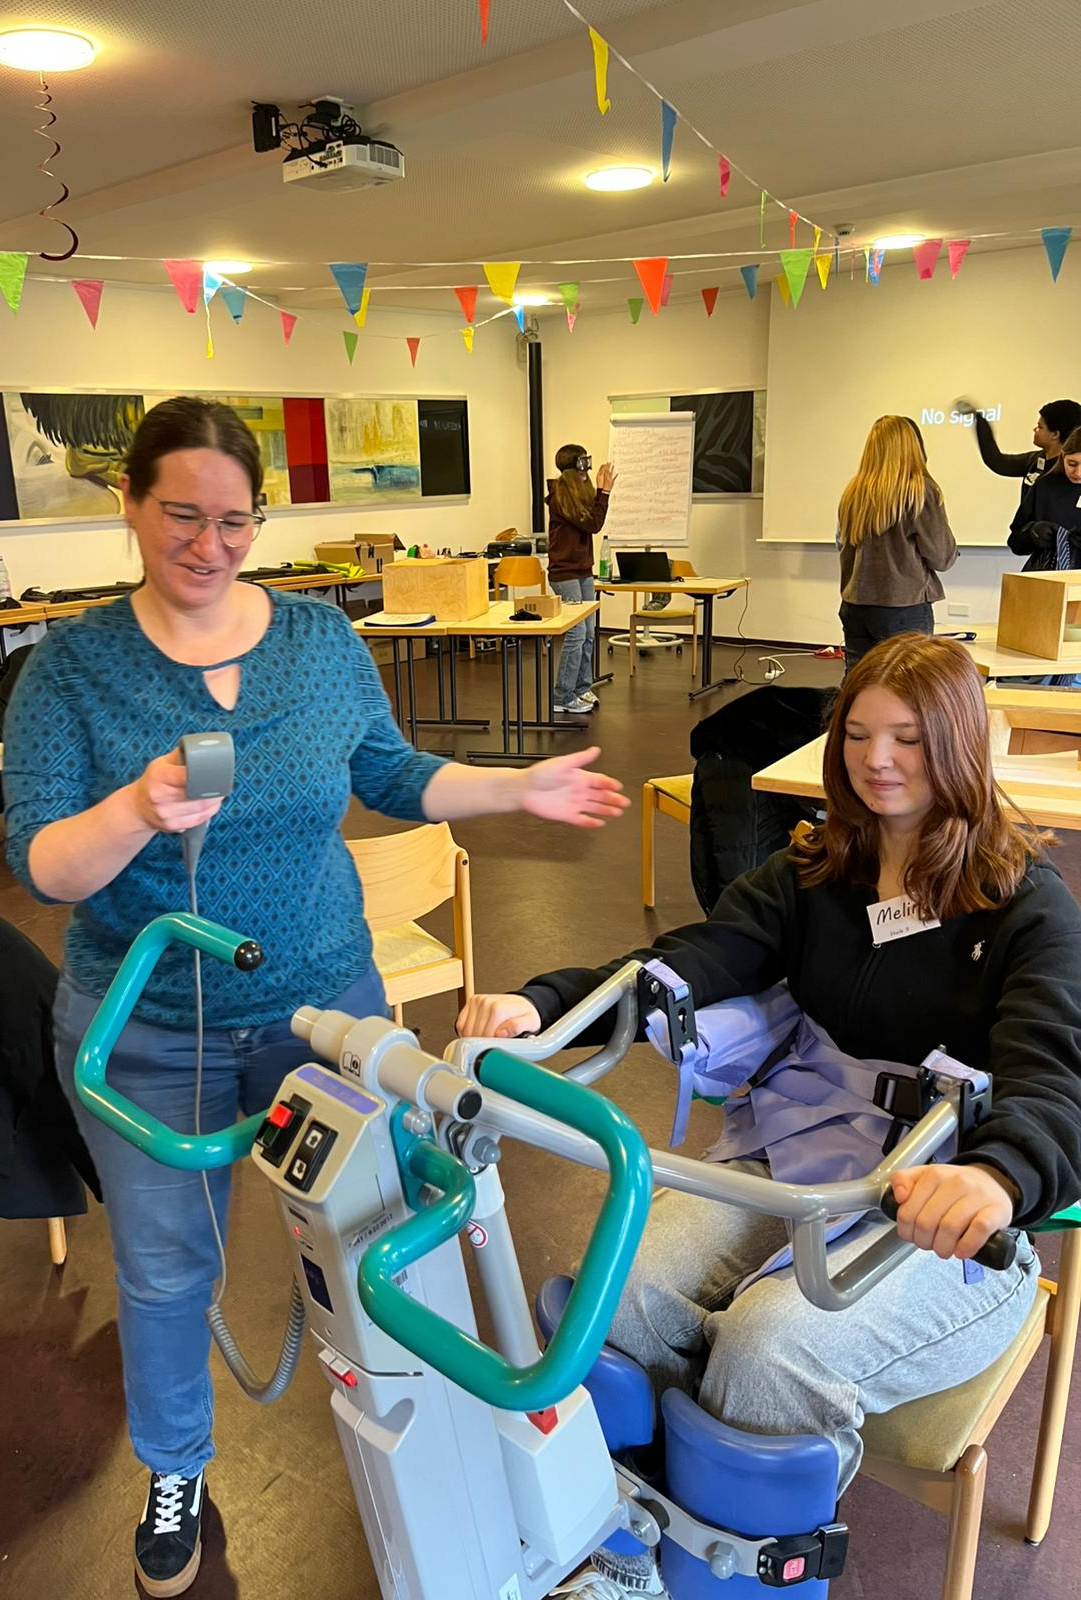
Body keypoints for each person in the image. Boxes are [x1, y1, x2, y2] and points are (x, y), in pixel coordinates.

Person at [2, 397, 630, 1599]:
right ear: (130, 503)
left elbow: (390, 773)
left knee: (380, 1242)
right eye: (181, 515)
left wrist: (516, 788)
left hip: (324, 1011)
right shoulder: (71, 671)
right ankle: (176, 1469)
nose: (209, 544)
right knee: (166, 1272)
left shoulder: (318, 641)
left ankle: (420, 1439)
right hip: (149, 1029)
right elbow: (42, 863)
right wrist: (134, 809)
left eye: (234, 520)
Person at [459, 633, 1081, 1598]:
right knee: (616, 1298)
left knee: (767, 1350)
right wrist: (547, 1004)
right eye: (858, 735)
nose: (877, 761)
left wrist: (997, 1178)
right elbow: (693, 957)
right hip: (799, 1154)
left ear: (959, 744)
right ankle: (628, 1554)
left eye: (909, 739)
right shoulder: (816, 870)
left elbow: (1056, 1077)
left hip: (947, 1218)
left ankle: (737, 1582)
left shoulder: (1025, 906)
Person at [836, 415, 957, 670]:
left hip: (855, 605)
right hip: (903, 607)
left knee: (860, 681)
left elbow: (844, 550)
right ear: (912, 446)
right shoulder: (920, 491)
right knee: (908, 684)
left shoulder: (852, 493)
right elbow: (942, 557)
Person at [547, 443, 616, 714]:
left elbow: (592, 519)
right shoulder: (560, 498)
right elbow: (592, 524)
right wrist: (604, 492)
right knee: (576, 633)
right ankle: (561, 696)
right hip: (564, 573)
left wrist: (599, 492)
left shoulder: (578, 494)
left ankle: (581, 687)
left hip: (583, 570)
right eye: (582, 465)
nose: (586, 471)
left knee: (589, 632)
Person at [959, 395, 1081, 528]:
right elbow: (997, 462)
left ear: (1055, 434)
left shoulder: (1073, 474)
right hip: (1028, 536)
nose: (1035, 430)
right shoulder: (1035, 460)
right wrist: (980, 421)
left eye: (1040, 427)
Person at [1008, 424, 1081, 571]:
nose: (1078, 472)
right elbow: (1015, 542)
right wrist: (1032, 533)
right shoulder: (1045, 486)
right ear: (1062, 457)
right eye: (1072, 464)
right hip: (1047, 574)